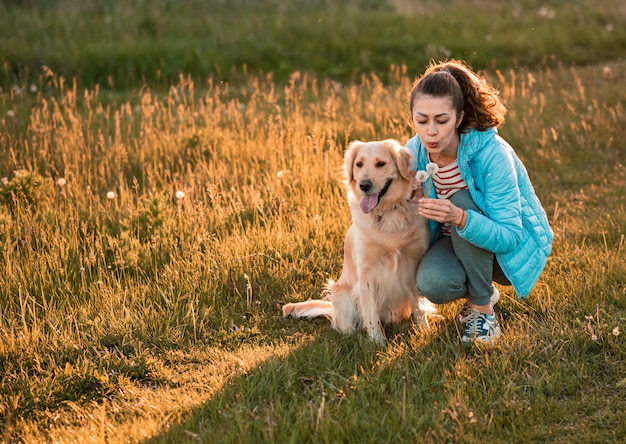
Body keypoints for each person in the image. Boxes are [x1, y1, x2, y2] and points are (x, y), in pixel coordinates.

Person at [405, 59, 553, 346]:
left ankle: (483, 310)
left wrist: (461, 217)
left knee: (461, 200)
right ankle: (478, 287)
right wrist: (414, 201)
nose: (430, 132)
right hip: (452, 242)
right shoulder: (414, 154)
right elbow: (408, 221)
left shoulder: (492, 154)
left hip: (506, 251)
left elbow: (510, 236)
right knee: (431, 283)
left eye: (441, 120)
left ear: (459, 118)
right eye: (421, 120)